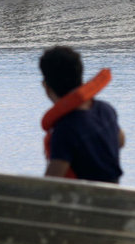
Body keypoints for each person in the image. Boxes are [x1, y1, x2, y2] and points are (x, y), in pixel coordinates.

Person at [39, 46, 124, 183]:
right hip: (114, 193)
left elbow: (51, 182)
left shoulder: (64, 129)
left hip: (83, 201)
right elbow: (120, 141)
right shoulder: (105, 110)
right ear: (81, 79)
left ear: (46, 87)